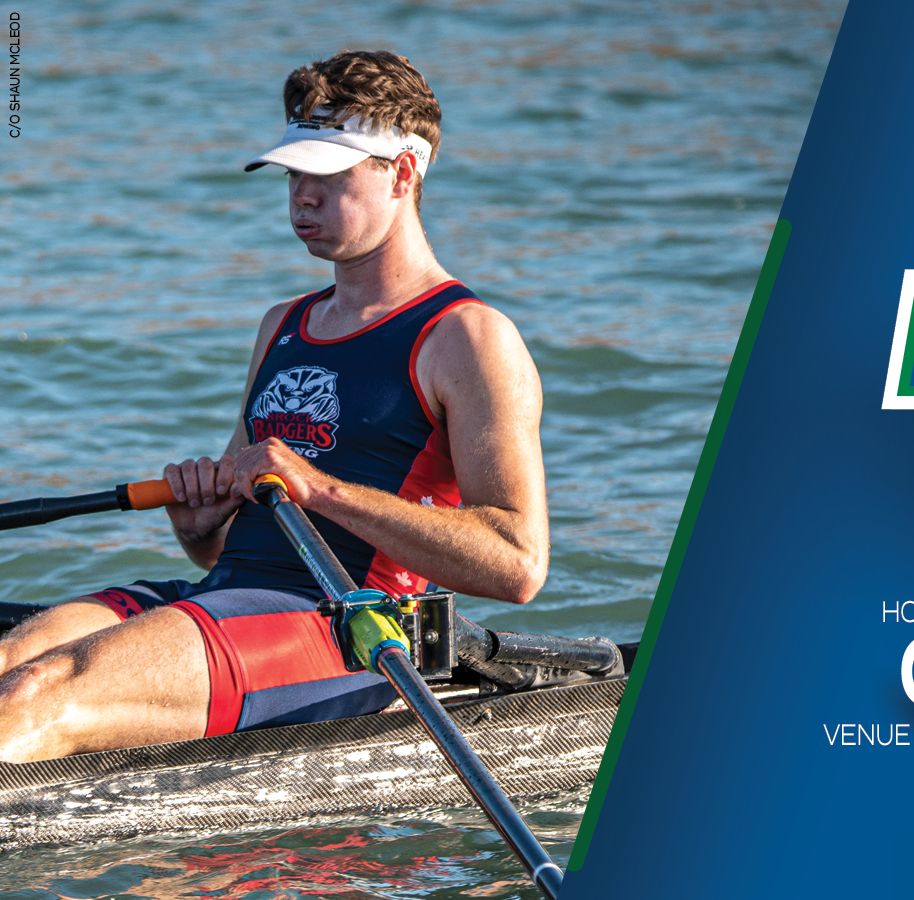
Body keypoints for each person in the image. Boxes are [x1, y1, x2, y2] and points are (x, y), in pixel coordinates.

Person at [0, 50, 549, 763]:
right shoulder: (282, 324)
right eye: (295, 173)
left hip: (348, 629)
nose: (303, 196)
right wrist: (200, 527)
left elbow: (517, 562)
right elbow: (234, 542)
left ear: (403, 173)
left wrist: (318, 489)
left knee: (34, 695)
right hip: (230, 596)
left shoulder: (467, 338)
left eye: (329, 174)